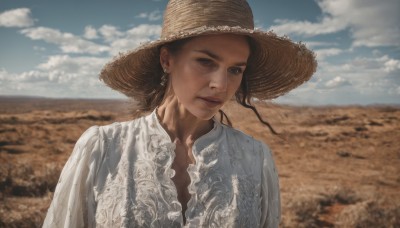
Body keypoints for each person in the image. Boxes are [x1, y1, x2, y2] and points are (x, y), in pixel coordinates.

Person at [43, 0, 317, 227]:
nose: (220, 85)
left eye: (235, 69)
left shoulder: (255, 158)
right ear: (167, 60)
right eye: (205, 61)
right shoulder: (103, 148)